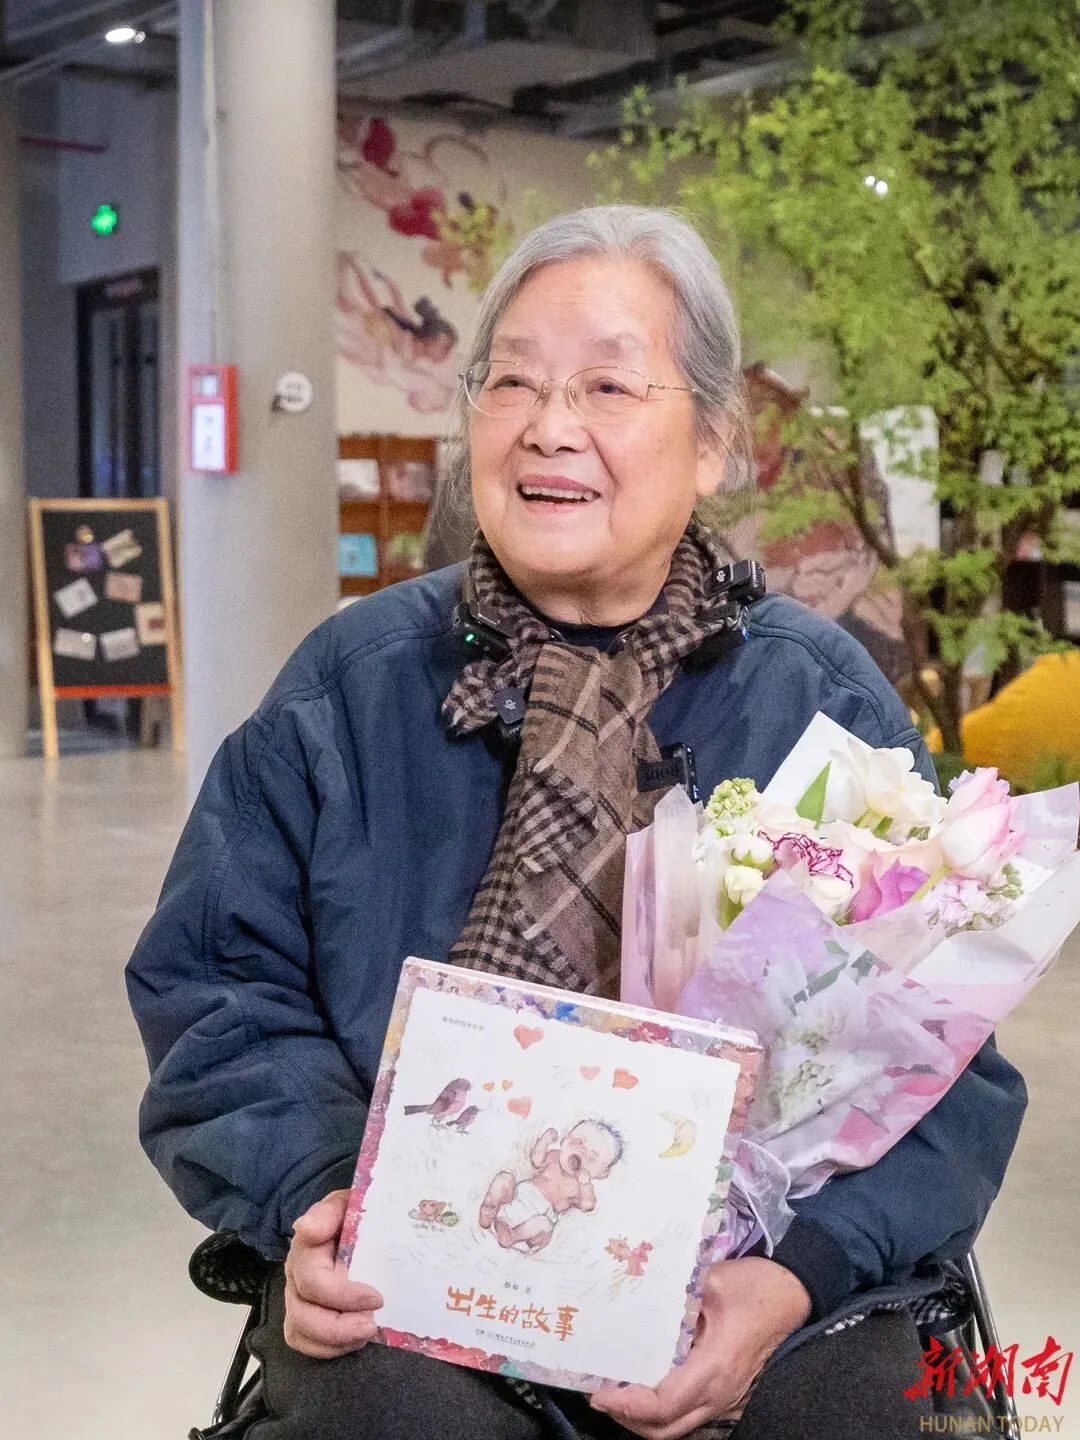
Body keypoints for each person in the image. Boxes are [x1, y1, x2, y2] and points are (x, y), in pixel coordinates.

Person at [127, 205, 1026, 1440]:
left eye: (607, 384)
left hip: (767, 1277)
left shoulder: (820, 701)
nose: (550, 426)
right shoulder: (350, 686)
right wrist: (328, 1191)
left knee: (866, 1418)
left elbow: (948, 1064)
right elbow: (218, 990)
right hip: (420, 1263)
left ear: (712, 442)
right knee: (392, 1414)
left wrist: (797, 1276)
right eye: (512, 382)